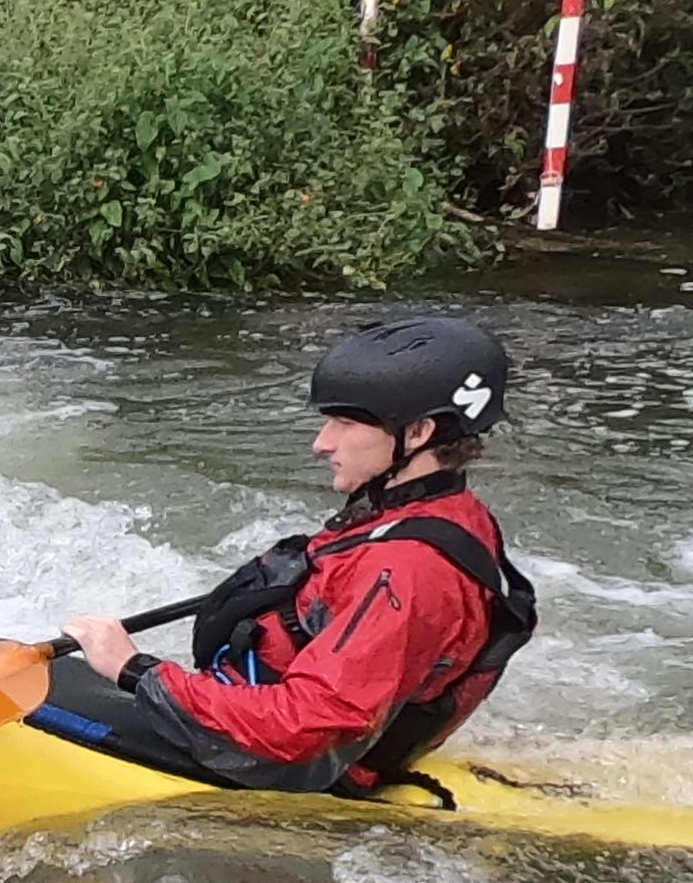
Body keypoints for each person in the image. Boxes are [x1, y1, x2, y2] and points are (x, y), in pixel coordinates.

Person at [57, 315, 538, 799]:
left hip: (275, 763)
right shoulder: (439, 511)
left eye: (346, 423)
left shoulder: (408, 568)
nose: (321, 443)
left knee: (19, 704)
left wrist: (134, 669)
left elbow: (305, 728)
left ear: (418, 433)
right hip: (256, 720)